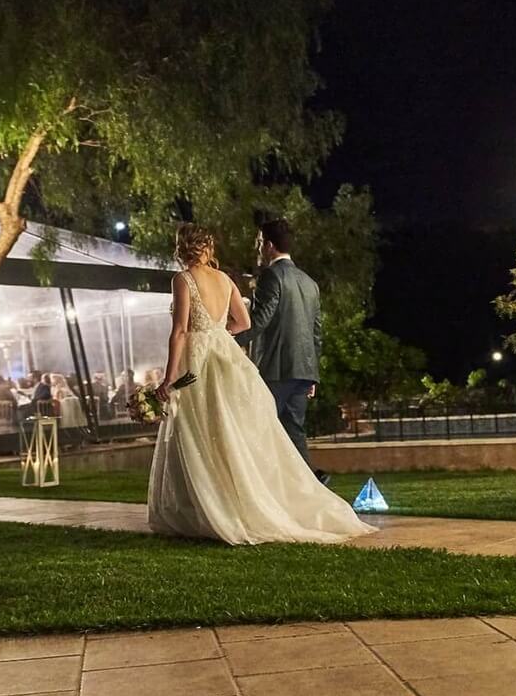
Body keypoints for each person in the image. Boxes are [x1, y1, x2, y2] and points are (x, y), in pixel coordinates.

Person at [146, 223, 374, 545]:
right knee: (248, 433)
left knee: (205, 432)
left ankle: (215, 506)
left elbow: (181, 331)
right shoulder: (232, 280)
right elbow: (249, 322)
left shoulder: (184, 279)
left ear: (183, 248)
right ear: (208, 248)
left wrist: (170, 377)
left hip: (211, 362)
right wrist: (219, 335)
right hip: (252, 362)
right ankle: (285, 495)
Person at [236, 217, 324, 474]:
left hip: (276, 369)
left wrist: (227, 341)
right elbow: (316, 333)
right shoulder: (309, 282)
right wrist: (312, 374)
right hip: (303, 371)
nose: (258, 248)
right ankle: (312, 482)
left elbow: (260, 320)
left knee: (258, 429)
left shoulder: (271, 276)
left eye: (259, 242)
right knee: (294, 432)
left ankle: (262, 487)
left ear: (269, 245)